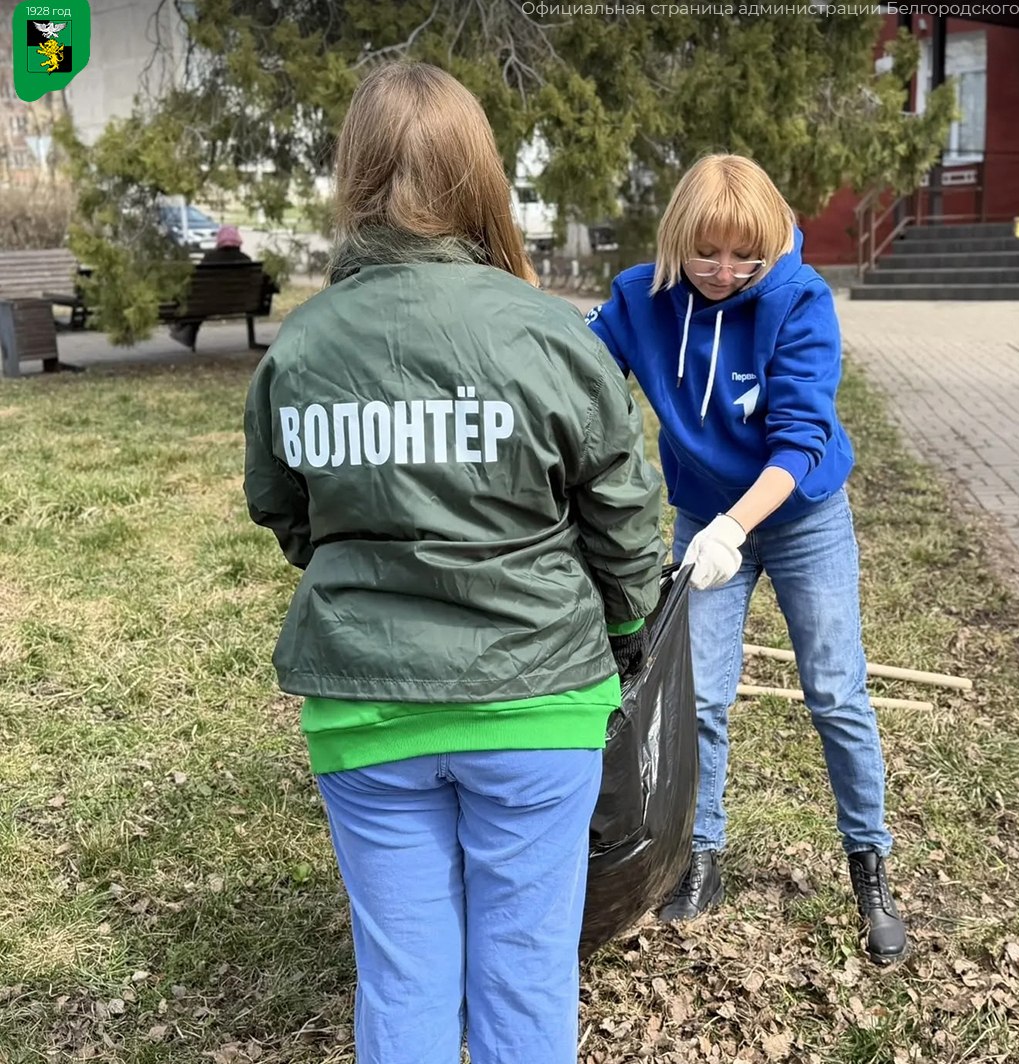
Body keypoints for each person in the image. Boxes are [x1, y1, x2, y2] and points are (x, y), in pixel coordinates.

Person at [242, 62, 665, 1063]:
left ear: (354, 177)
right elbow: (623, 522)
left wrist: (369, 554)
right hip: (538, 701)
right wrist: (625, 630)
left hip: (365, 707)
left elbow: (285, 511)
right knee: (525, 979)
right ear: (480, 180)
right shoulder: (549, 336)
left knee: (404, 981)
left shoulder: (300, 351)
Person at [584, 153, 907, 965]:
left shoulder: (799, 301)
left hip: (800, 516)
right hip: (701, 515)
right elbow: (577, 372)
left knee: (835, 691)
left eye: (746, 257)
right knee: (698, 696)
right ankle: (702, 858)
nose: (725, 272)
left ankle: (869, 864)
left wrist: (734, 528)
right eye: (707, 254)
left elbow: (802, 440)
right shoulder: (639, 300)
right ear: (677, 239)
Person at [169, 224, 254, 349]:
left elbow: (196, 281)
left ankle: (182, 326)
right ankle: (184, 329)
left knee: (197, 300)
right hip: (240, 304)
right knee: (202, 302)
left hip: (209, 304)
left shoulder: (211, 258)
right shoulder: (246, 260)